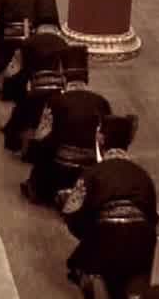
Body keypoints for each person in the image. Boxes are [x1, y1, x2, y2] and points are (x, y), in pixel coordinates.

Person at [61, 115, 158, 299]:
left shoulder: (93, 173)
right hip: (141, 242)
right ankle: (133, 294)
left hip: (106, 239)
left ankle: (96, 278)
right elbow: (153, 218)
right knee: (137, 271)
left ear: (101, 139)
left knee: (77, 262)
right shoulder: (143, 176)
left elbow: (73, 216)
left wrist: (89, 234)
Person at [21, 60, 110, 208]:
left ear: (64, 79)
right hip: (88, 171)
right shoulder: (102, 103)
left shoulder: (56, 101)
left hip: (58, 169)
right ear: (86, 79)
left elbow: (42, 137)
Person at [2, 0, 73, 147]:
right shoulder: (63, 44)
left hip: (32, 93)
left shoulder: (29, 42)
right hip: (56, 94)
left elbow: (16, 71)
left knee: (20, 108)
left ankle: (13, 139)